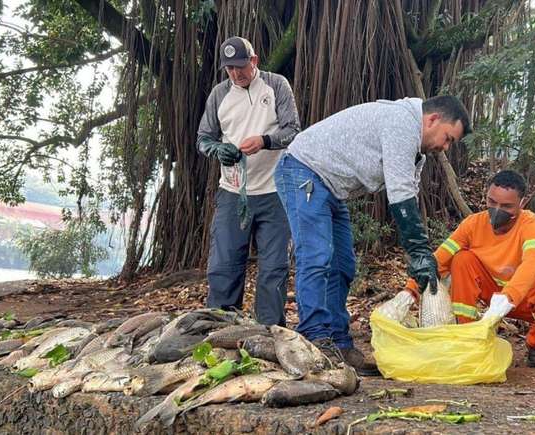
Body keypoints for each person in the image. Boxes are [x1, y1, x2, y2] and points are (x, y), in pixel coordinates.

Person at [274, 95, 471, 375]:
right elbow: (400, 197)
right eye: (448, 138)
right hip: (303, 170)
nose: (445, 148)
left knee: (343, 265)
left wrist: (421, 254)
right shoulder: (402, 122)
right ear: (433, 120)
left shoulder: (417, 153)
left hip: (330, 188)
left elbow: (408, 201)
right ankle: (314, 338)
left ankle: (339, 342)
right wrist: (417, 251)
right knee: (317, 257)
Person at [196, 36, 301, 326]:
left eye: (241, 66)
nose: (236, 74)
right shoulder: (219, 95)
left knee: (274, 267)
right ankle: (220, 329)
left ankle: (269, 332)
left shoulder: (276, 85)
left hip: (275, 191)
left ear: (253, 61)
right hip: (233, 193)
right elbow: (203, 138)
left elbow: (293, 129)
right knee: (224, 265)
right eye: (229, 68)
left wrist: (266, 141)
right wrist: (218, 150)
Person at [432, 170, 535, 368]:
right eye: (491, 202)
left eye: (506, 206)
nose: (497, 209)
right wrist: (409, 291)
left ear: (521, 204)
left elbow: (532, 264)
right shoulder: (473, 224)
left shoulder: (533, 225)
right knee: (462, 259)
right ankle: (467, 338)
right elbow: (440, 258)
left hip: (526, 298)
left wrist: (509, 297)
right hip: (491, 293)